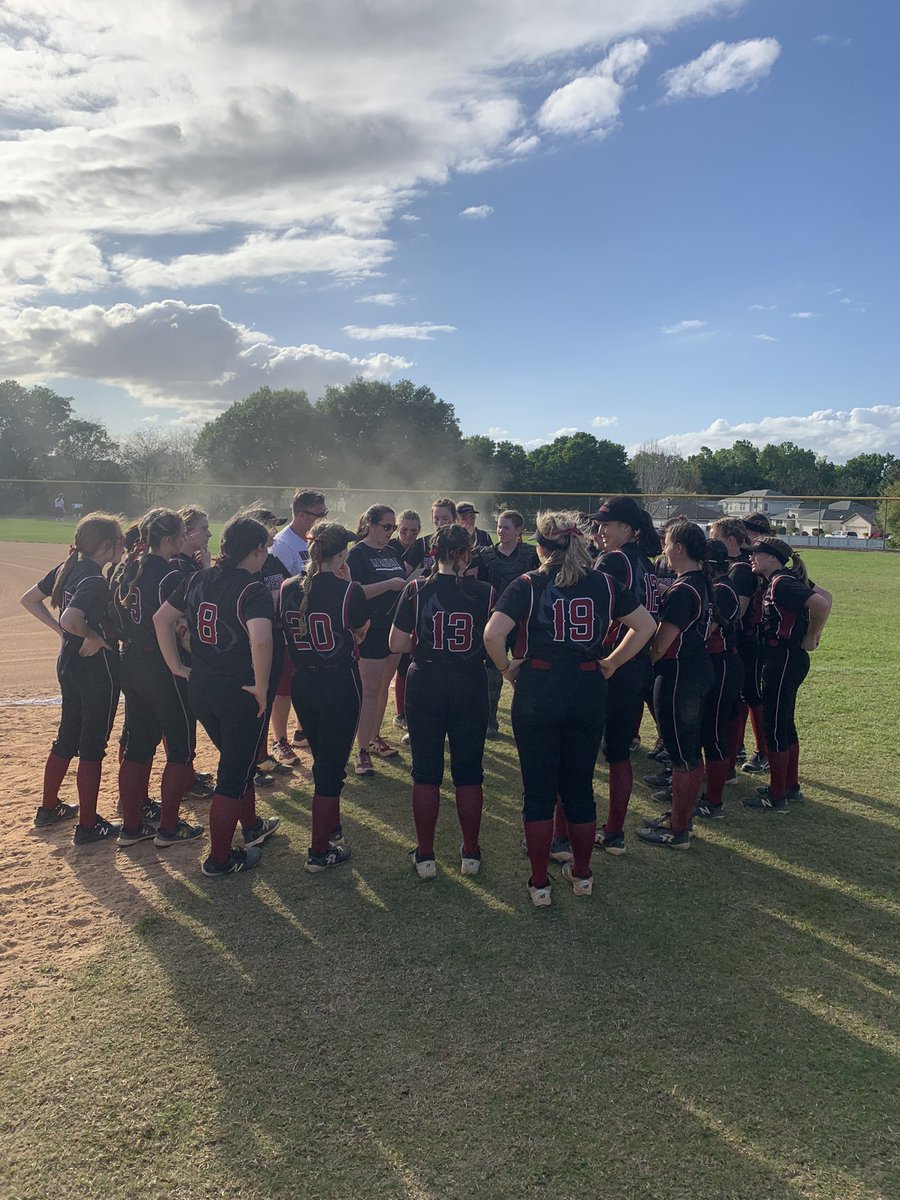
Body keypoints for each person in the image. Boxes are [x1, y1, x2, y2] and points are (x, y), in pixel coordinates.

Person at [484, 511, 655, 906]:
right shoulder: (604, 582)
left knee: (539, 791)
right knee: (579, 786)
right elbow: (644, 626)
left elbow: (493, 634)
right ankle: (581, 874)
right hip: (586, 687)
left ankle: (540, 882)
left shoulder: (528, 582)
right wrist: (610, 662)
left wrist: (508, 668)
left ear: (540, 546)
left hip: (539, 687)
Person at [154, 515, 280, 876]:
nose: (265, 554)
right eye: (264, 548)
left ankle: (252, 826)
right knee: (232, 772)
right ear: (256, 550)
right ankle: (220, 859)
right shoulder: (252, 588)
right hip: (237, 688)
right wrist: (260, 684)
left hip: (201, 685)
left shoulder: (197, 578)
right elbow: (260, 639)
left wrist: (177, 665)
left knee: (236, 762)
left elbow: (161, 619)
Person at [390, 525, 496, 879]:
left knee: (426, 772)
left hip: (427, 680)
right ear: (465, 554)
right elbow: (496, 641)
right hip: (469, 681)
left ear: (433, 553)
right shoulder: (484, 591)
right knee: (468, 772)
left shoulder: (417, 589)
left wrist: (424, 644)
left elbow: (396, 643)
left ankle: (426, 855)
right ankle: (470, 852)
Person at [22, 513, 125, 841]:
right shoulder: (95, 579)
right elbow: (70, 617)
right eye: (119, 541)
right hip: (97, 669)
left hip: (68, 663)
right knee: (93, 746)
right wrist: (90, 636)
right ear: (107, 545)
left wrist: (65, 633)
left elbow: (30, 600)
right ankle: (88, 826)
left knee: (68, 735)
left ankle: (49, 808)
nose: (122, 546)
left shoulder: (69, 568)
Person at [281, 522, 369, 872]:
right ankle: (319, 851)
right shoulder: (349, 590)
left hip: (304, 682)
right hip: (339, 683)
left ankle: (331, 828)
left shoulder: (289, 587)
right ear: (341, 554)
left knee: (324, 760)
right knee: (331, 769)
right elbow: (360, 632)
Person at [113, 509, 203, 848]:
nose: (184, 542)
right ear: (167, 541)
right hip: (162, 666)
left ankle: (131, 828)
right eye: (181, 536)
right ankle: (168, 829)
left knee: (137, 745)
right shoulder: (169, 575)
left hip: (131, 660)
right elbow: (172, 626)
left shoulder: (129, 568)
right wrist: (180, 665)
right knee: (179, 749)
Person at [589, 496, 661, 856]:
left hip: (610, 663)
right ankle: (614, 832)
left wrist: (609, 661)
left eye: (608, 524)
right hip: (636, 663)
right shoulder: (645, 564)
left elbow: (594, 616)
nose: (600, 530)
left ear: (629, 530)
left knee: (583, 750)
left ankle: (571, 830)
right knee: (618, 752)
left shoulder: (613, 560)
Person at [637, 521, 713, 851]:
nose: (664, 549)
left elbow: (661, 644)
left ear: (679, 548)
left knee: (682, 754)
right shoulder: (700, 582)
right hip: (694, 670)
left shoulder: (684, 589)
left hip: (679, 674)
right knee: (686, 751)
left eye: (667, 543)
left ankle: (678, 829)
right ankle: (679, 818)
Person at [742, 538, 832, 813]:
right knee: (784, 723)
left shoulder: (781, 582)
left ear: (772, 558)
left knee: (775, 726)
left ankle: (777, 795)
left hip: (784, 657)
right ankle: (789, 786)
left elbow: (821, 603)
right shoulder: (775, 581)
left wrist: (811, 635)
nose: (751, 558)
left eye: (756, 554)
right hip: (781, 658)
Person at [269, 491, 328, 767]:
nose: (323, 518)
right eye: (320, 513)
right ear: (303, 515)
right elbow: (281, 590)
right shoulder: (283, 544)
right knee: (284, 688)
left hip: (309, 623)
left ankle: (301, 730)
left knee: (304, 681)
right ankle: (279, 740)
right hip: (289, 626)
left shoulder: (311, 539)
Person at [347, 505, 408, 775]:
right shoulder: (358, 553)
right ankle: (361, 750)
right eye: (386, 526)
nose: (391, 532)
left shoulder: (391, 551)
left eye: (393, 527)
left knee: (383, 686)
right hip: (370, 629)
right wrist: (388, 585)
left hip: (392, 628)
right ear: (370, 525)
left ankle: (373, 739)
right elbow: (353, 591)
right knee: (369, 690)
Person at [475, 510, 538, 737]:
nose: (501, 531)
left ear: (519, 530)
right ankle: (490, 720)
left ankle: (529, 716)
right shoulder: (483, 555)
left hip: (524, 622)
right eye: (499, 527)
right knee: (492, 673)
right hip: (496, 620)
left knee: (526, 671)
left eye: (506, 527)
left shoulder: (532, 555)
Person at [695, 539, 745, 820]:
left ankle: (713, 801)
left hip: (722, 663)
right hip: (717, 662)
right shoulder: (719, 585)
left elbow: (706, 630)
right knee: (712, 728)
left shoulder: (722, 589)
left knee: (713, 732)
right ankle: (709, 784)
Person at [709, 517, 756, 772]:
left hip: (740, 643)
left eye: (714, 536)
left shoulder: (740, 569)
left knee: (732, 703)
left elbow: (735, 612)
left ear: (728, 540)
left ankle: (732, 754)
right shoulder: (731, 566)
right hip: (732, 643)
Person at [737, 511, 774, 775]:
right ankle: (735, 745)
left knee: (753, 694)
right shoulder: (748, 560)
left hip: (757, 635)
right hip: (746, 634)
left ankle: (764, 751)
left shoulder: (770, 563)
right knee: (739, 693)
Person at [387, 509, 421, 733]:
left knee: (409, 662)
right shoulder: (389, 548)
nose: (409, 534)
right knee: (398, 664)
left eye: (414, 530)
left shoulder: (422, 547)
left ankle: (410, 711)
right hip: (393, 609)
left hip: (416, 609)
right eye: (404, 529)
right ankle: (401, 713)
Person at [403, 498, 457, 576]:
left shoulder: (463, 543)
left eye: (445, 518)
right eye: (436, 518)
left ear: (454, 519)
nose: (440, 523)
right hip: (429, 586)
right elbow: (402, 574)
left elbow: (471, 577)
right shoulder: (423, 543)